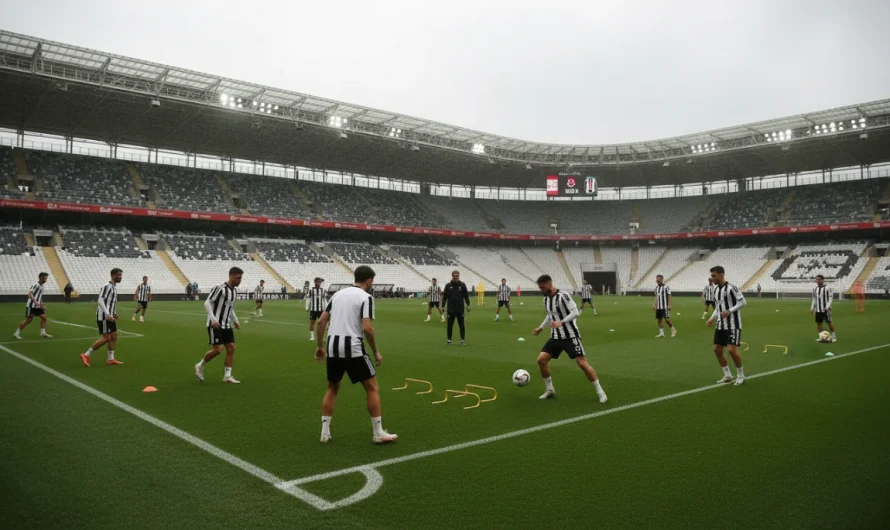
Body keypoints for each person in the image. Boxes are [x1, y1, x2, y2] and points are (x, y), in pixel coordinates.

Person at [314, 265, 397, 444]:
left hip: (332, 347)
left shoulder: (337, 295)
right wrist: (375, 351)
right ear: (369, 281)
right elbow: (367, 328)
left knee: (332, 388)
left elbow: (321, 322)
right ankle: (378, 433)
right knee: (372, 387)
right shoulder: (366, 297)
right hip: (353, 347)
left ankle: (325, 433)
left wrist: (320, 346)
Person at [533, 274, 607, 403]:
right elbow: (550, 315)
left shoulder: (564, 296)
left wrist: (561, 322)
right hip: (555, 336)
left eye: (543, 288)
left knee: (582, 363)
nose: (541, 290)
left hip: (570, 335)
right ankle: (550, 390)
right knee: (541, 360)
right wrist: (541, 327)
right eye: (540, 288)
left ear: (550, 284)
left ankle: (600, 391)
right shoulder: (546, 299)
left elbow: (575, 313)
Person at [195, 267, 243, 384]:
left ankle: (227, 376)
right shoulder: (220, 288)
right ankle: (200, 366)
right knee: (217, 350)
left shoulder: (234, 291)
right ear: (231, 276)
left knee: (231, 348)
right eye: (237, 278)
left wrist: (235, 321)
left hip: (227, 324)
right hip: (215, 324)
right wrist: (213, 319)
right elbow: (207, 303)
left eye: (240, 278)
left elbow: (229, 308)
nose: (239, 280)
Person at [706, 265, 746, 385]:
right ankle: (728, 375)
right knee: (717, 349)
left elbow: (743, 302)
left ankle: (740, 375)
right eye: (711, 276)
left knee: (731, 350)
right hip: (720, 325)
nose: (712, 278)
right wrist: (711, 318)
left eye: (714, 276)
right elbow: (718, 307)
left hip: (733, 324)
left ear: (721, 275)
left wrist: (729, 311)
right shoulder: (716, 289)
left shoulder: (731, 288)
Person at [80, 268, 124, 367]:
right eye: (119, 275)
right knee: (107, 337)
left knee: (114, 336)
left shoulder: (113, 287)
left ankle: (110, 359)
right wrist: (108, 314)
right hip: (104, 316)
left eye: (121, 275)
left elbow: (109, 303)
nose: (120, 277)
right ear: (113, 275)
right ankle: (86, 355)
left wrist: (114, 313)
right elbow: (100, 301)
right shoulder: (107, 286)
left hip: (109, 315)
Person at [14, 272, 53, 340]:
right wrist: (35, 301)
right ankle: (16, 333)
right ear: (41, 278)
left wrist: (42, 305)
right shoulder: (36, 285)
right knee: (28, 320)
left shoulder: (42, 286)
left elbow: (39, 297)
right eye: (45, 278)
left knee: (44, 318)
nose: (46, 279)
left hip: (37, 306)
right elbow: (30, 294)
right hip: (31, 306)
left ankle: (42, 333)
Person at [443, 270, 471, 346]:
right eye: (454, 276)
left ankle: (462, 340)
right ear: (452, 276)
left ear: (459, 276)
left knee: (461, 325)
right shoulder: (448, 285)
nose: (455, 277)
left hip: (460, 309)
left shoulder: (462, 285)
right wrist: (442, 306)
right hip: (450, 309)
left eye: (457, 276)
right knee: (449, 326)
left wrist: (468, 305)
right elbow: (444, 297)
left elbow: (466, 296)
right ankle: (449, 340)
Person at [810, 275, 837, 343]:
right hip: (818, 309)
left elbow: (830, 298)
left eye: (819, 279)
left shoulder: (828, 288)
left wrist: (827, 306)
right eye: (817, 279)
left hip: (826, 309)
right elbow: (814, 299)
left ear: (823, 280)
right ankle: (821, 337)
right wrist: (812, 308)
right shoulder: (815, 288)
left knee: (829, 322)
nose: (818, 281)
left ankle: (834, 336)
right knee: (819, 323)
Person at [307, 277, 326, 341]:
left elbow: (324, 299)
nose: (318, 283)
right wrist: (307, 307)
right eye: (317, 282)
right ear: (315, 282)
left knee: (321, 324)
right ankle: (312, 336)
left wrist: (326, 307)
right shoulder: (311, 290)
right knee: (312, 323)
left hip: (321, 310)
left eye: (319, 282)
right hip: (313, 309)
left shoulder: (322, 290)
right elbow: (308, 299)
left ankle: (321, 337)